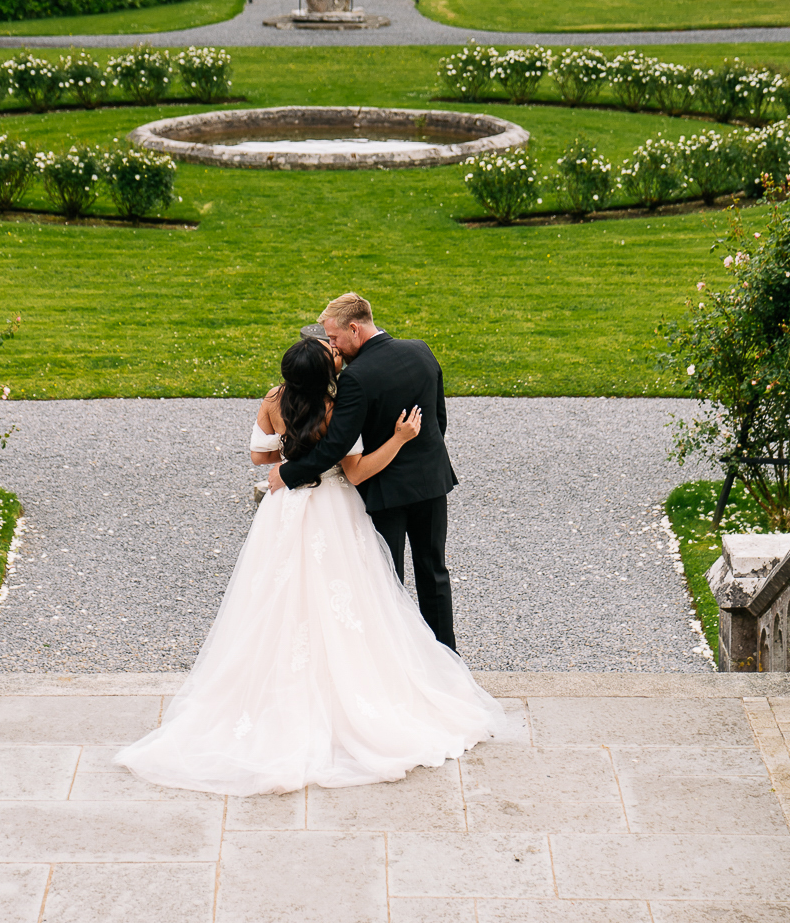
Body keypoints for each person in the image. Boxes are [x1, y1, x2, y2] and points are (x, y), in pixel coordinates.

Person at [115, 326, 507, 796]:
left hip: (286, 513)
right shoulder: (335, 407)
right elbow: (356, 469)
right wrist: (401, 438)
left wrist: (288, 455)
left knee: (278, 597)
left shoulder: (272, 400)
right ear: (326, 372)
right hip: (333, 512)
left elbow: (259, 455)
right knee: (354, 597)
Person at [270, 293, 459, 649]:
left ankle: (399, 661)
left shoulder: (356, 377)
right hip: (432, 481)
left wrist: (288, 473)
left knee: (387, 580)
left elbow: (334, 446)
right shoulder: (421, 350)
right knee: (434, 573)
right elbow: (438, 419)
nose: (332, 346)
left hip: (385, 490)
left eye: (334, 338)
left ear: (354, 329)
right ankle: (448, 660)